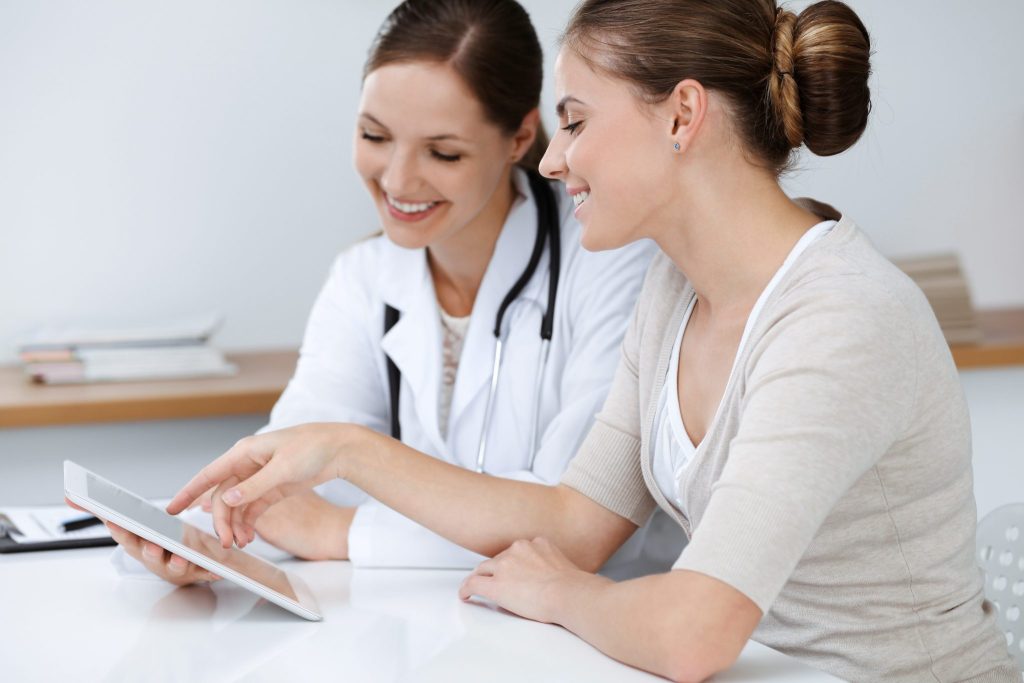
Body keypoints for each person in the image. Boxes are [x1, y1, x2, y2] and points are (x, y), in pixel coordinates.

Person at [156, 0, 1022, 680]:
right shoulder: (675, 289)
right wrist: (343, 449)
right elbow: (575, 522)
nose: (553, 162)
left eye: (574, 122)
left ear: (682, 115)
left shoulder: (840, 318)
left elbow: (691, 632)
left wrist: (566, 595)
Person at [100, 0, 670, 584]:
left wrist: (338, 530)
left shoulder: (612, 262)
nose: (398, 180)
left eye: (442, 152)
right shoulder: (364, 277)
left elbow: (582, 528)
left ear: (521, 136)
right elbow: (287, 479)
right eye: (375, 135)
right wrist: (221, 540)